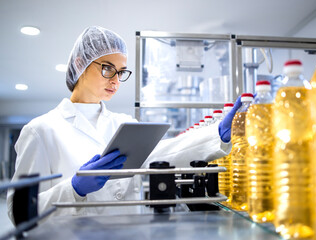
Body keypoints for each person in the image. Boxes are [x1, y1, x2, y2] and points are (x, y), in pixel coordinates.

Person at [7, 26, 242, 222]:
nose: (116, 81)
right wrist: (74, 189)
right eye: (108, 68)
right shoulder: (41, 130)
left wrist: (217, 134)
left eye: (121, 72)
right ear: (81, 63)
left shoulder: (123, 124)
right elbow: (18, 213)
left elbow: (165, 154)